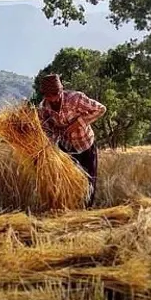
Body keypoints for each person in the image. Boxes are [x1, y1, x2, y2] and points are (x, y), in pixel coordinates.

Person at [37, 73, 106, 207]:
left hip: (85, 144)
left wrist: (79, 122)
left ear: (61, 90)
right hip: (66, 147)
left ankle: (87, 210)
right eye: (48, 95)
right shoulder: (43, 108)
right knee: (68, 179)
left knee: (89, 179)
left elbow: (101, 109)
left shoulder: (76, 98)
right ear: (45, 94)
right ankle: (71, 207)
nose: (53, 98)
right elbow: (47, 129)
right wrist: (49, 143)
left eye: (55, 93)